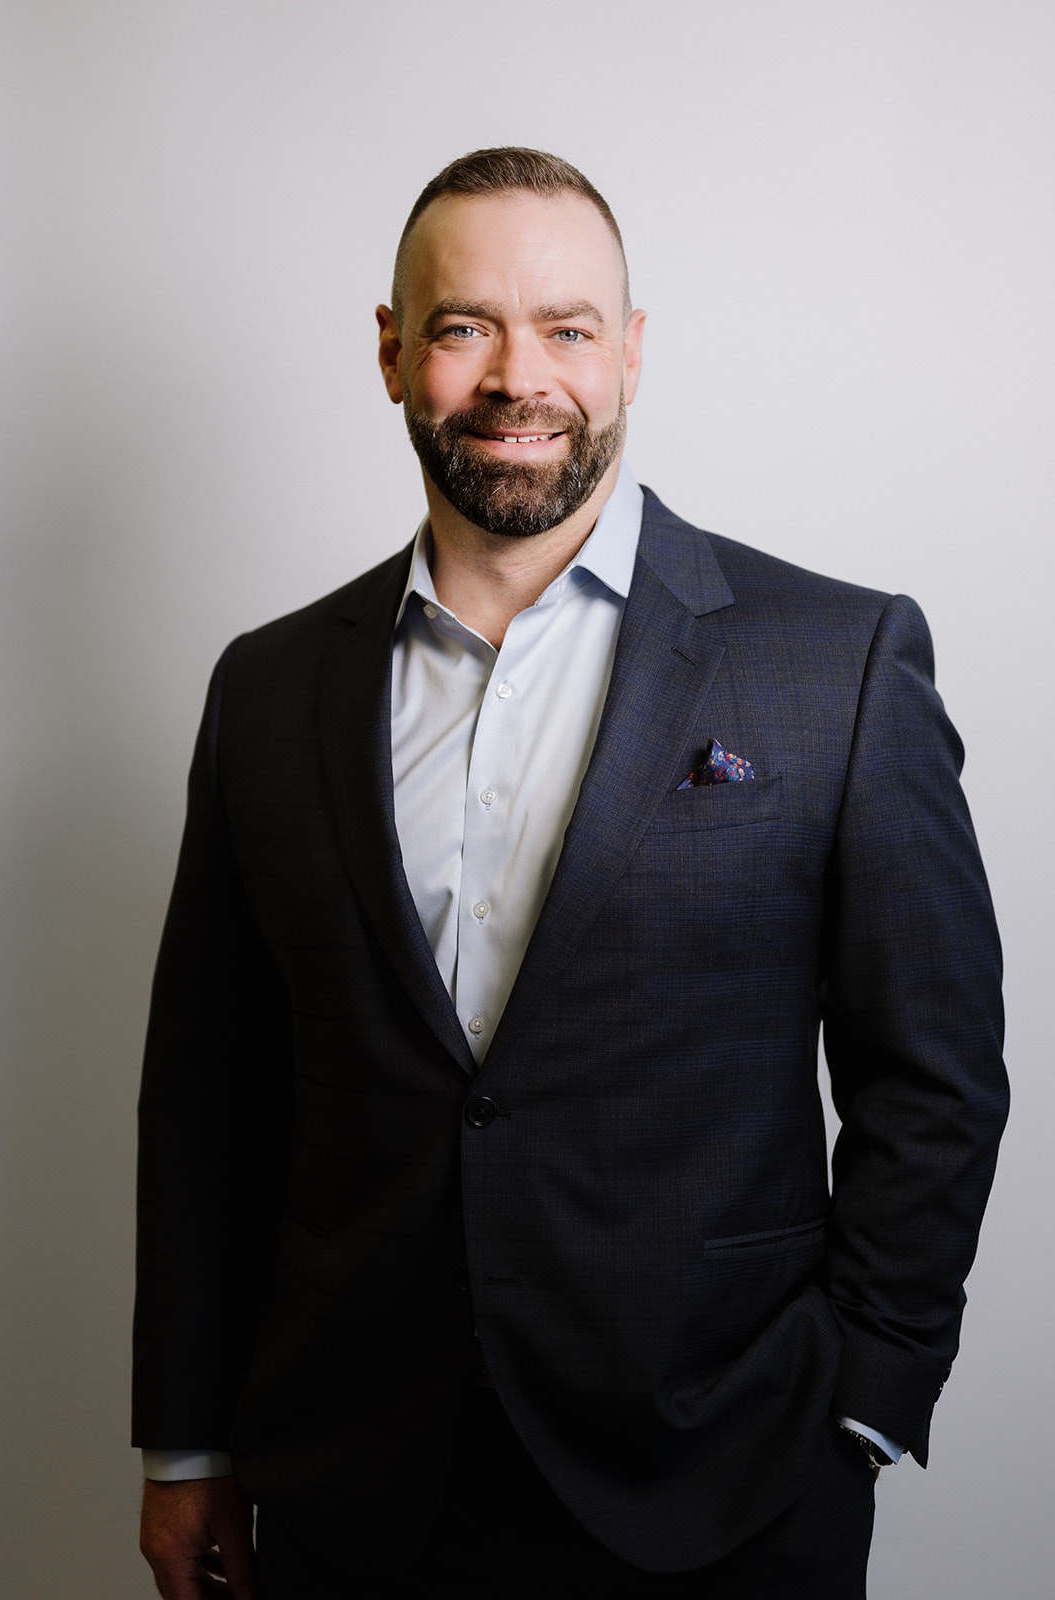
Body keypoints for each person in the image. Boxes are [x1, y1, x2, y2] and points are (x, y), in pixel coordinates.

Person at [134, 148, 1008, 1598]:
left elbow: (935, 1076)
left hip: (725, 1480)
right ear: (394, 351)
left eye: (568, 327)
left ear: (633, 353)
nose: (517, 374)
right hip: (354, 1494)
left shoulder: (832, 664)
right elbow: (210, 1093)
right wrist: (185, 1443)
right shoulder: (271, 690)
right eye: (467, 324)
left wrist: (864, 1401)